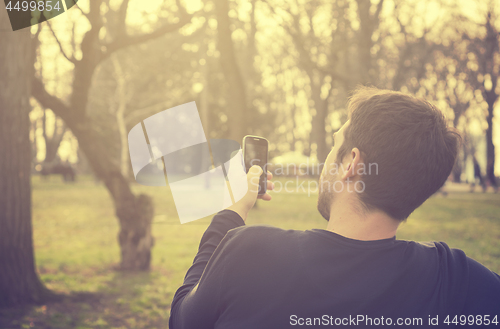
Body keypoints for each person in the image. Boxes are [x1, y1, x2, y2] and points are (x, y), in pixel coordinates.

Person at [169, 86, 500, 329]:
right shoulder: (455, 278)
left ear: (351, 163)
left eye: (334, 144)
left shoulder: (251, 253)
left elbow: (183, 320)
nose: (327, 158)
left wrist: (232, 212)